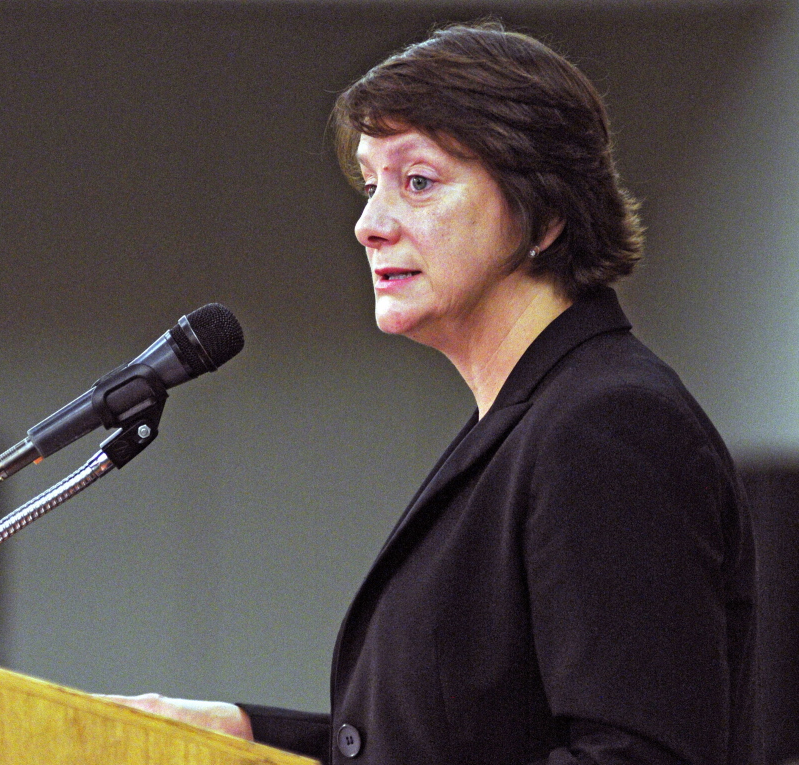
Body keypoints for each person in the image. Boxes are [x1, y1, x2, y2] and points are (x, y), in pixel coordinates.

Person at [102, 21, 760, 765]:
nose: (368, 225)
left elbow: (636, 756)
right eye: (370, 185)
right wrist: (248, 736)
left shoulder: (609, 424)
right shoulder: (526, 421)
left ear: (545, 214)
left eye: (417, 182)